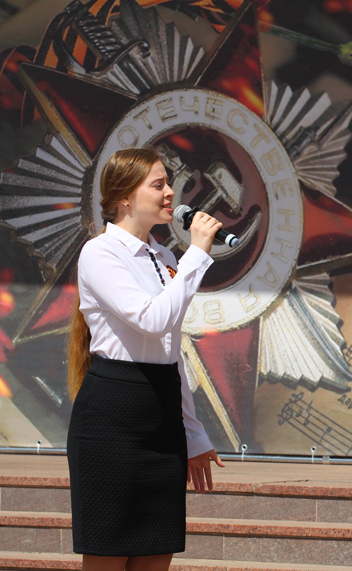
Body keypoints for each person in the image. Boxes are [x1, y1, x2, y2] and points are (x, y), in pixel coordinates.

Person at [66, 148, 225, 571]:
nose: (171, 192)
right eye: (158, 184)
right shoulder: (100, 252)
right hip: (112, 420)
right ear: (124, 198)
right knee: (108, 555)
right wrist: (198, 254)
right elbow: (151, 320)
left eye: (168, 183)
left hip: (161, 418)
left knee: (156, 553)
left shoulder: (165, 258)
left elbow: (171, 351)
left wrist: (193, 435)